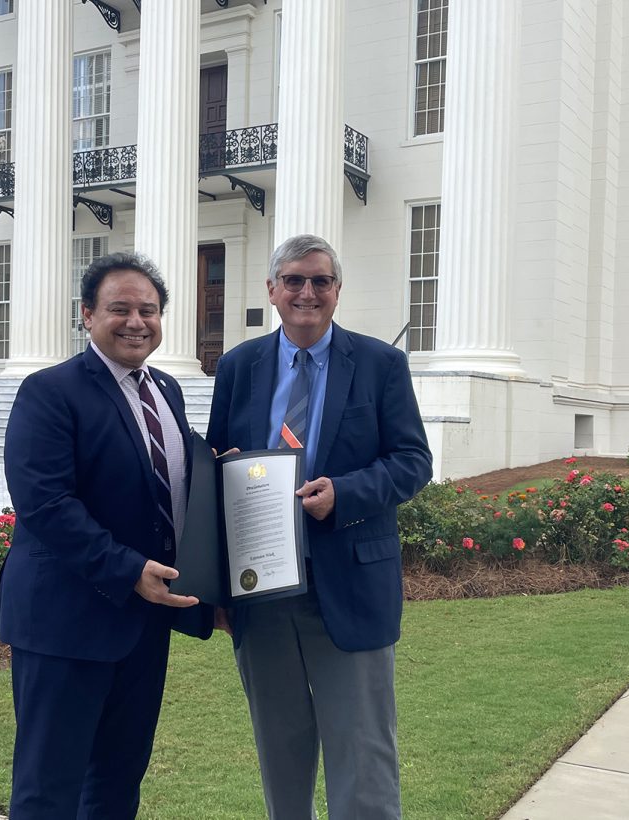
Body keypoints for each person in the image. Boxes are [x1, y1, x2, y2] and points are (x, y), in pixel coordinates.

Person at [207, 234, 433, 819]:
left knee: (362, 753)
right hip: (262, 591)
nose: (307, 292)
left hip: (350, 583)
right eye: (294, 280)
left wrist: (346, 494)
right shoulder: (238, 366)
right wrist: (215, 584)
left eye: (321, 281)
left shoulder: (381, 363)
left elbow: (413, 461)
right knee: (280, 749)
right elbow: (215, 470)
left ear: (337, 291)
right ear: (272, 290)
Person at [0, 251, 212, 819]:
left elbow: (170, 477)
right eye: (120, 308)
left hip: (142, 625)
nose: (137, 321)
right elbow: (45, 503)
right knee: (49, 787)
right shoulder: (50, 391)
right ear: (87, 315)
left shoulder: (165, 389)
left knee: (117, 780)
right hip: (66, 623)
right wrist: (128, 569)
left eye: (149, 310)